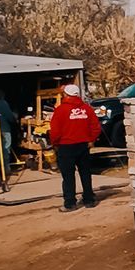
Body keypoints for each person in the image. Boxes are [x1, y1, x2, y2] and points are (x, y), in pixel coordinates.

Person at [47, 83, 102, 211]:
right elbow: (96, 127)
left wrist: (55, 143)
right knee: (85, 173)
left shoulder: (60, 110)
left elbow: (55, 131)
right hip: (83, 145)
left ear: (66, 95)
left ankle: (70, 203)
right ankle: (89, 199)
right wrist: (91, 139)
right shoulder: (87, 109)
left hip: (66, 146)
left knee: (68, 176)